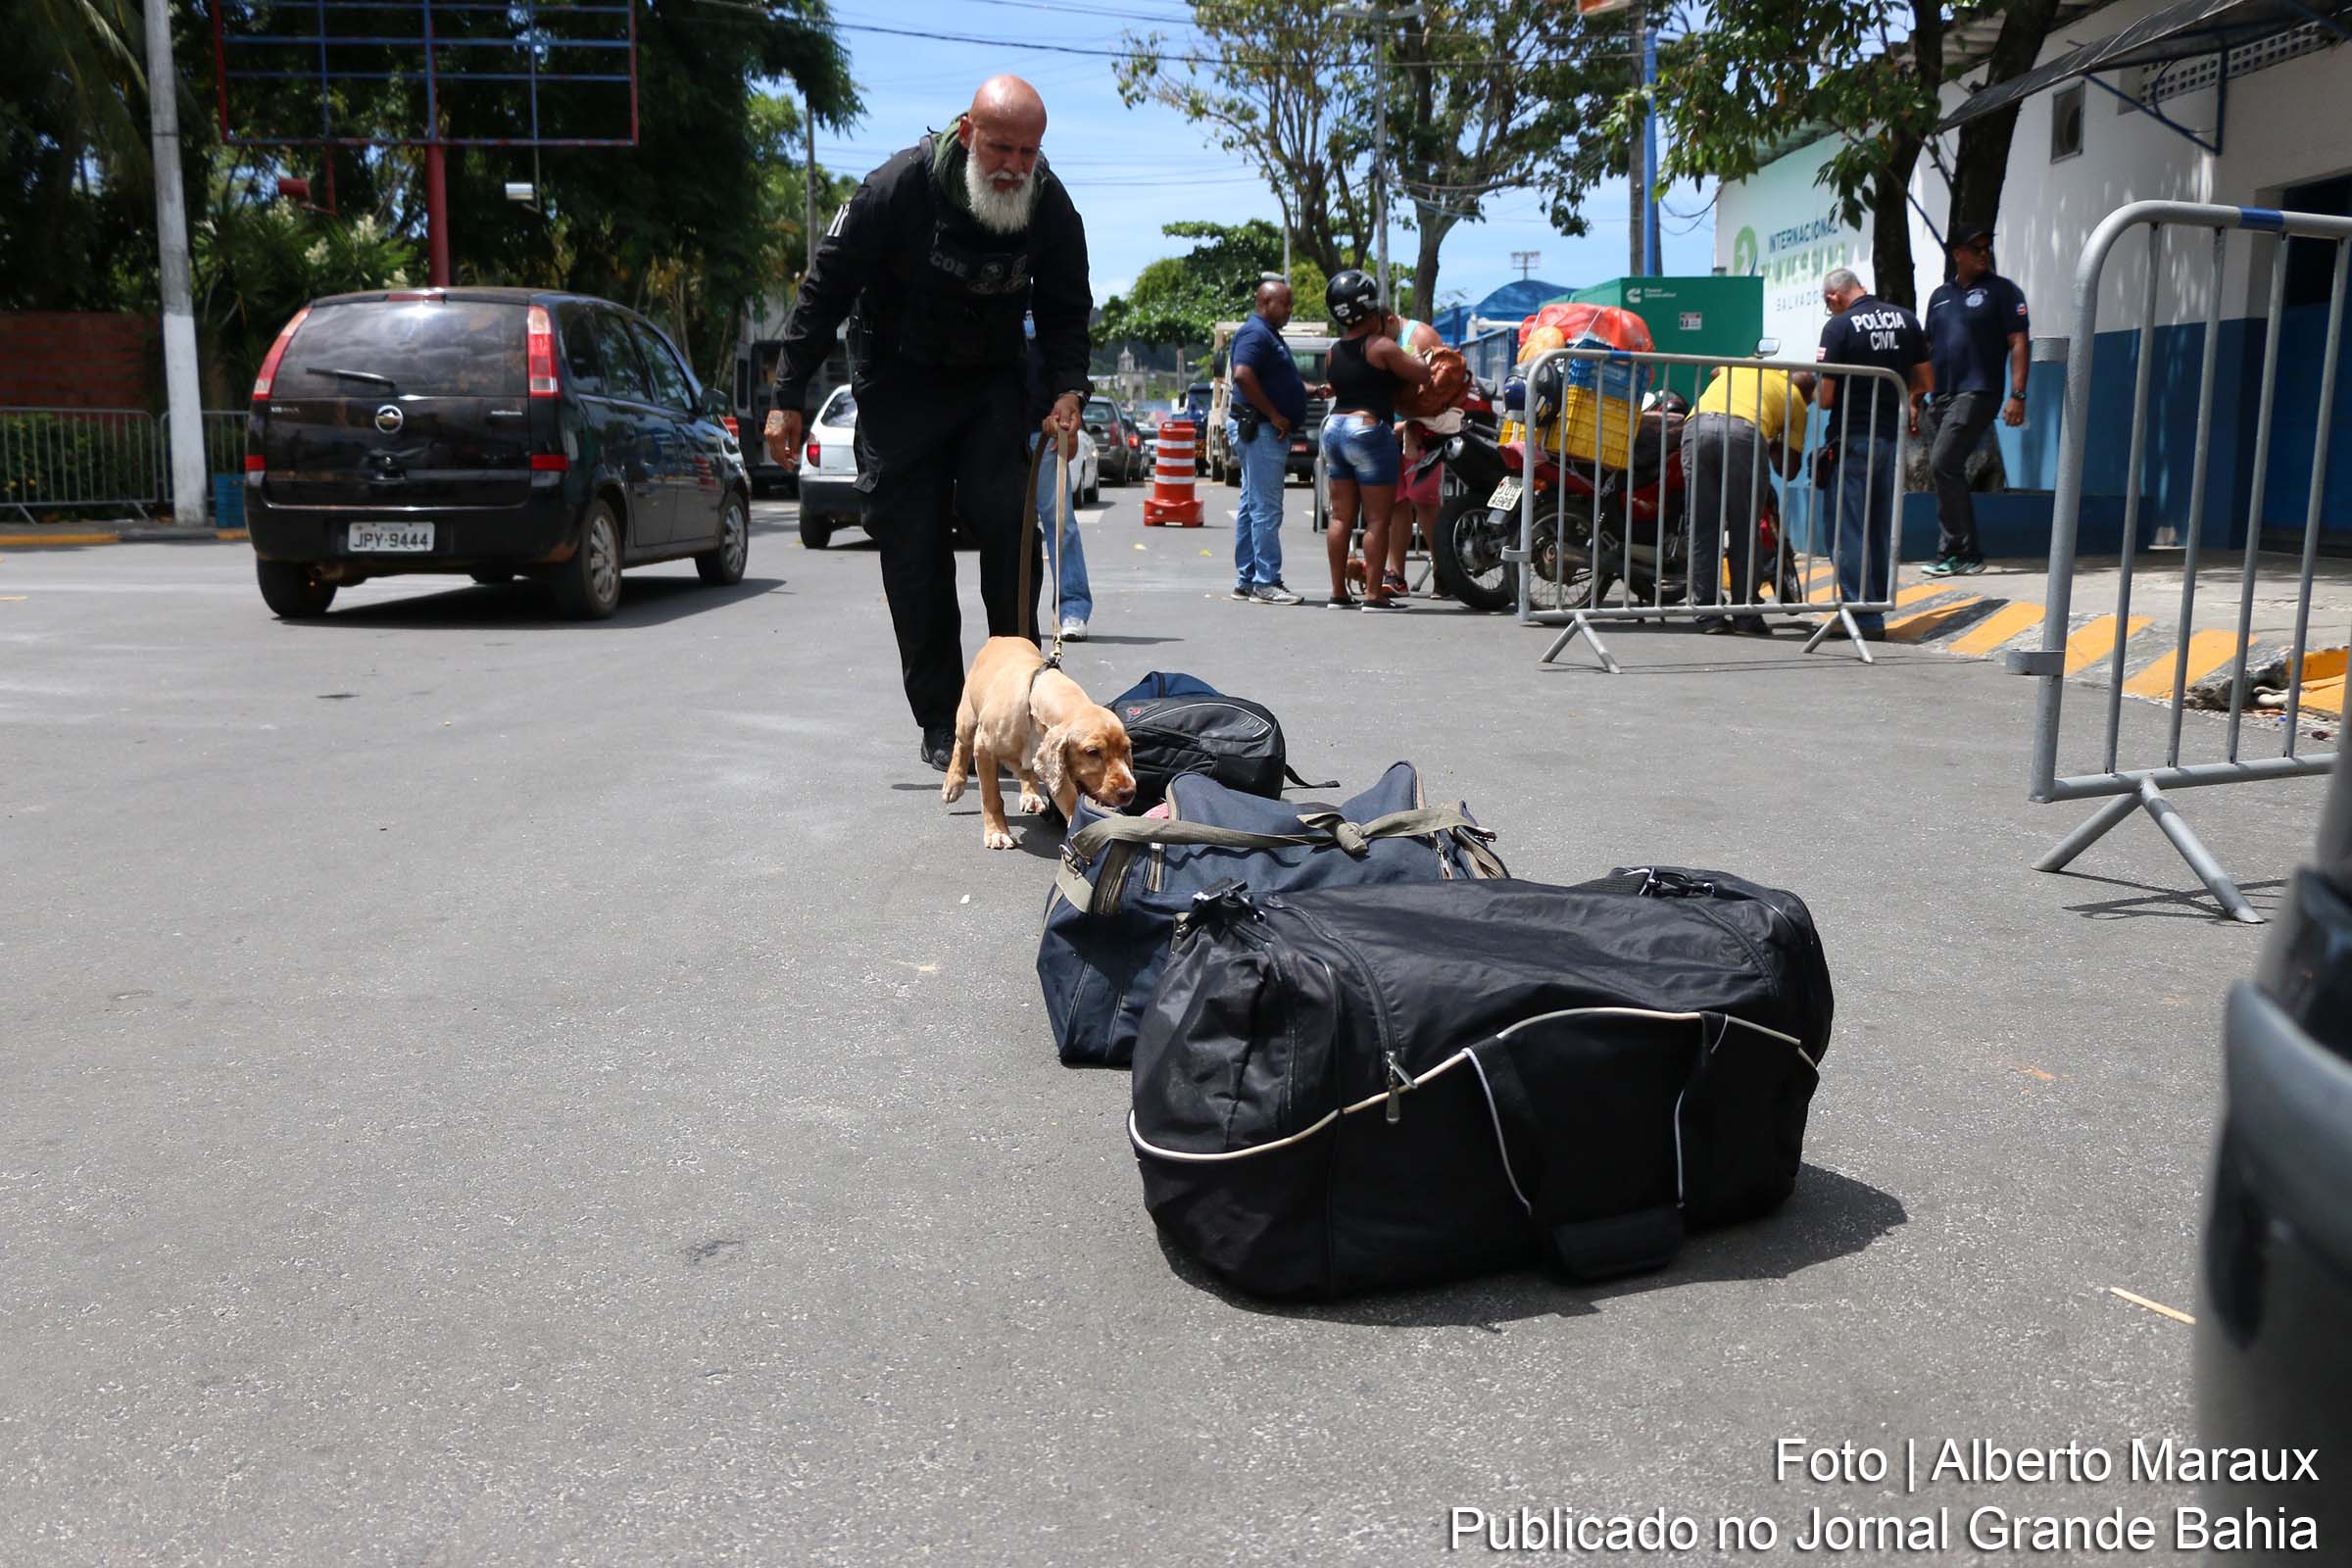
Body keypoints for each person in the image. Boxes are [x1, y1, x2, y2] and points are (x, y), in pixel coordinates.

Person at [763, 75, 1091, 771]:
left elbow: (1067, 305)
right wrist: (787, 392)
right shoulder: (897, 189)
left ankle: (1022, 700)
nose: (1013, 167)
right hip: (900, 383)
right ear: (968, 133)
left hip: (990, 384)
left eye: (1028, 153)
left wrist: (1068, 389)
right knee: (913, 553)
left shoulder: (1049, 203)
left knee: (1007, 529)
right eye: (1001, 148)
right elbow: (825, 290)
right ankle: (944, 721)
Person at [1814, 268, 1931, 640]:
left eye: (1826, 304)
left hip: (1852, 439)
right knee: (1879, 527)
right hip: (1890, 440)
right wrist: (1908, 402)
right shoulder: (1906, 320)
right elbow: (1926, 381)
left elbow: (1827, 397)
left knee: (1846, 528)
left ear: (1834, 297)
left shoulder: (1839, 327)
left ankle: (1860, 614)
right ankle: (1874, 608)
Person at [1318, 270, 1433, 611]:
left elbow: (1340, 387)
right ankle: (1372, 593)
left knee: (1340, 517)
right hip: (1368, 429)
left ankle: (1338, 592)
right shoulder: (1381, 346)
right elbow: (1422, 373)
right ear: (1370, 308)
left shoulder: (1332, 352)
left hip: (1334, 427)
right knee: (1378, 519)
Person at [1921, 220, 2030, 577]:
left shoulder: (2003, 292)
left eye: (1988, 248)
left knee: (1942, 463)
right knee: (1946, 471)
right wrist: (1915, 396)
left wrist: (2017, 394)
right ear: (1958, 255)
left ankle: (1954, 551)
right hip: (1941, 397)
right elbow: (1929, 349)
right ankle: (1964, 553)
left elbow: (2018, 342)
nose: (1985, 254)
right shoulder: (1939, 297)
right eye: (1976, 248)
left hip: (1978, 392)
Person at [1681, 364, 1815, 634]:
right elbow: (1788, 469)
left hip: (1696, 427)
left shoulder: (1746, 367)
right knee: (1745, 528)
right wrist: (1776, 441)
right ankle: (1745, 613)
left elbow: (1714, 372)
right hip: (1743, 434)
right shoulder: (1796, 399)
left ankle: (1707, 615)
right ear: (1806, 392)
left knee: (1703, 527)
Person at [1224, 279, 1305, 605]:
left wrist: (1307, 391)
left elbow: (1269, 379)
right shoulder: (1255, 333)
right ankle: (1266, 582)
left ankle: (1247, 580)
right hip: (1260, 430)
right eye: (1284, 304)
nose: (1289, 310)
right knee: (1266, 509)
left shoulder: (1266, 334)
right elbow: (1243, 374)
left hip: (1259, 428)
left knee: (1251, 506)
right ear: (1265, 302)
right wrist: (1274, 414)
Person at [1023, 318, 1091, 639]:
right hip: (996, 428)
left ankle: (1072, 609)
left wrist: (1071, 419)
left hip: (1047, 430)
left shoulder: (1046, 302)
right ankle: (1015, 616)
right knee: (1009, 530)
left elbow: (1068, 359)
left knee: (1060, 523)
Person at [1383, 310, 1448, 596]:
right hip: (1390, 430)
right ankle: (1395, 574)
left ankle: (1444, 571)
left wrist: (1409, 424)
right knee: (1395, 501)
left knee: (1425, 502)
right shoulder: (1380, 337)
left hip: (1421, 430)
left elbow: (1440, 387)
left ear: (1388, 320)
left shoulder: (1421, 336)